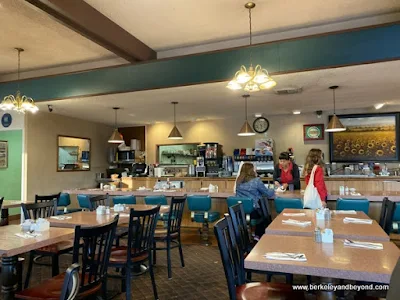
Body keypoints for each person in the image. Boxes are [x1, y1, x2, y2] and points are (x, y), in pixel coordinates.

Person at [235, 162, 275, 239]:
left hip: (241, 211)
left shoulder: (238, 182)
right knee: (265, 213)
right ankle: (259, 235)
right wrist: (272, 189)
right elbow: (268, 194)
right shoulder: (256, 181)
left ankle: (247, 236)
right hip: (254, 212)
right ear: (252, 170)